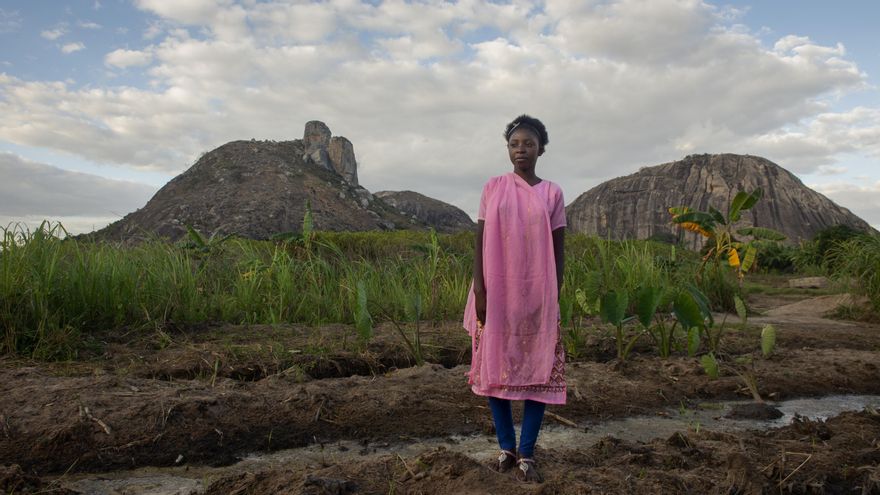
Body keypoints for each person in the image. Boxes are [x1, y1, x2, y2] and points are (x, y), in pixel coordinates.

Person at [463, 114, 566, 483]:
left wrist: (553, 296)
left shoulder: (552, 193)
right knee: (495, 369)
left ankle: (527, 452)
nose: (521, 149)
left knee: (539, 372)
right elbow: (480, 241)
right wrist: (480, 290)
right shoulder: (493, 187)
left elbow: (558, 250)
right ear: (508, 149)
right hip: (497, 294)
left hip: (538, 294)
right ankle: (506, 447)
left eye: (528, 144)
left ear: (541, 149)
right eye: (514, 144)